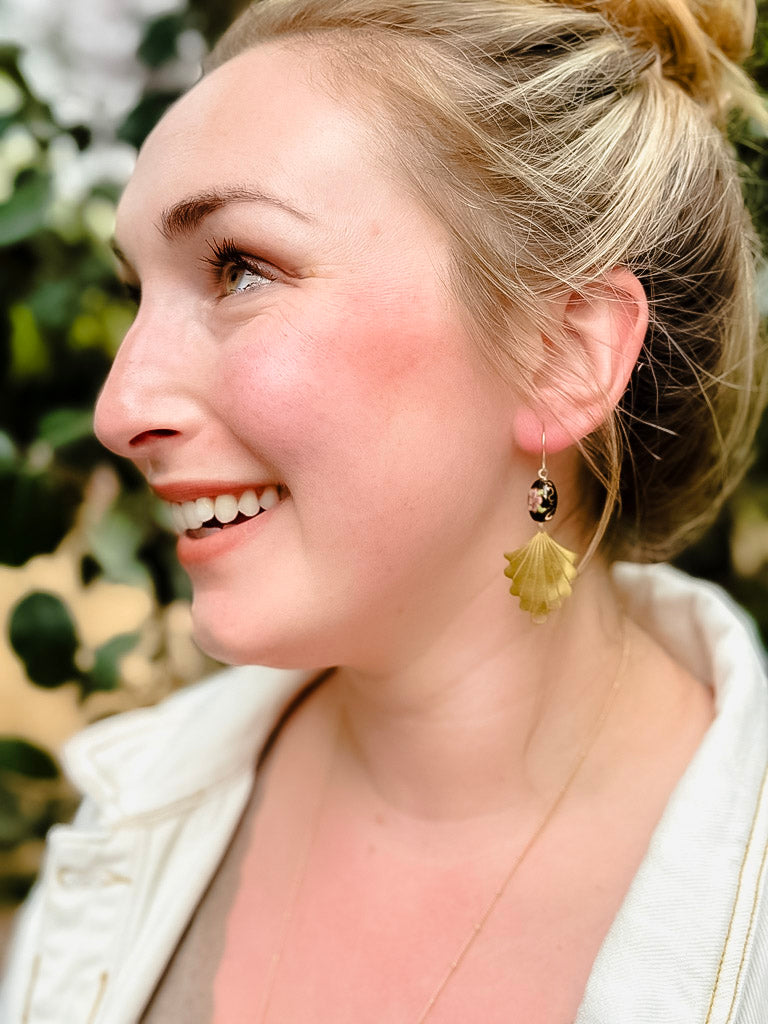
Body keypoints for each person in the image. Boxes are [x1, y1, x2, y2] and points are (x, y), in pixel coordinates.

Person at [3, 0, 768, 1020]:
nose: (119, 408)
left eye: (239, 269)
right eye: (138, 288)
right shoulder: (129, 818)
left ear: (562, 353)